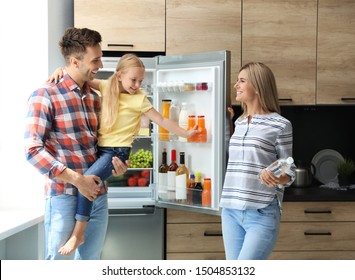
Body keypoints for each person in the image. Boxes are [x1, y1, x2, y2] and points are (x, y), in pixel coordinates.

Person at [48, 53, 199, 255]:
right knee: (88, 184)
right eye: (133, 80)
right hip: (101, 150)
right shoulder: (105, 87)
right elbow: (80, 77)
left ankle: (78, 233)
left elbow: (162, 120)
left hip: (117, 152)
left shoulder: (140, 99)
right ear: (119, 76)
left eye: (140, 81)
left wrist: (186, 133)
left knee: (87, 182)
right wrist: (61, 71)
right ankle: (79, 232)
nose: (137, 85)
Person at [24, 27, 129, 260]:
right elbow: (32, 150)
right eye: (95, 60)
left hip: (97, 195)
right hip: (64, 195)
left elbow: (101, 146)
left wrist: (116, 164)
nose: (100, 66)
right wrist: (78, 180)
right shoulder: (45, 95)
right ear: (74, 61)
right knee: (60, 266)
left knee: (90, 264)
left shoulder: (94, 98)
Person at [220, 62, 296, 260]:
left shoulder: (280, 124)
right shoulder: (239, 121)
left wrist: (277, 177)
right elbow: (237, 157)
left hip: (261, 212)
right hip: (230, 210)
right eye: (237, 81)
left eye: (242, 81)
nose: (236, 85)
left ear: (258, 86)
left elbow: (289, 168)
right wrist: (228, 123)